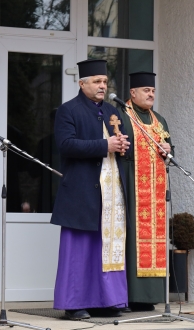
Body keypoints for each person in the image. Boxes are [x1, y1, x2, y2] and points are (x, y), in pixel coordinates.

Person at [51, 59, 131, 320]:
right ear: (81, 83)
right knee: (79, 251)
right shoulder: (68, 110)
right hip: (81, 191)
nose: (102, 86)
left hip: (111, 192)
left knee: (108, 246)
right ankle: (74, 304)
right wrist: (104, 145)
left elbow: (117, 147)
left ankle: (109, 300)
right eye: (97, 81)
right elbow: (66, 145)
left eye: (105, 82)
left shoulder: (112, 111)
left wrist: (121, 147)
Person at [116, 72, 172, 312]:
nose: (150, 94)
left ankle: (149, 296)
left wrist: (169, 149)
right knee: (130, 236)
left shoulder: (159, 120)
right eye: (146, 90)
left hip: (155, 189)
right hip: (129, 182)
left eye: (153, 90)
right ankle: (128, 296)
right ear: (132, 93)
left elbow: (169, 151)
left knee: (154, 239)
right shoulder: (120, 115)